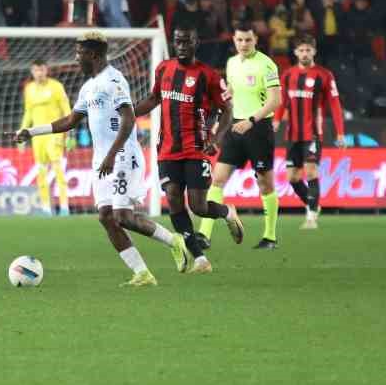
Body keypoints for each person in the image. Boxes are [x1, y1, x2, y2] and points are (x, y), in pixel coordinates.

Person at [14, 30, 191, 286]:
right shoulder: (88, 87)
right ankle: (142, 273)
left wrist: (111, 154)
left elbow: (129, 118)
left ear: (94, 55)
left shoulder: (114, 81)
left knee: (122, 216)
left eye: (80, 54)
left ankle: (174, 240)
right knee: (106, 217)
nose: (76, 59)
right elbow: (70, 121)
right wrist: (31, 131)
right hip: (102, 160)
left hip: (122, 156)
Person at [130, 20, 244, 272]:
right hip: (167, 149)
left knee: (198, 206)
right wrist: (128, 114)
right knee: (173, 199)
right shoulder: (163, 69)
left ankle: (227, 213)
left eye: (186, 41)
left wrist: (215, 139)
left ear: (196, 43)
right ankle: (200, 259)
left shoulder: (208, 75)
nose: (181, 46)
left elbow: (227, 110)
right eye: (177, 41)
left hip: (196, 149)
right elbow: (153, 99)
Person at [198, 26, 282, 249]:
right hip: (236, 127)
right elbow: (233, 95)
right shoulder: (232, 63)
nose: (244, 44)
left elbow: (275, 100)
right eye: (240, 40)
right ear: (234, 40)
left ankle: (270, 236)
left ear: (255, 40)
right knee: (217, 179)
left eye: (248, 40)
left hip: (259, 128)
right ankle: (204, 235)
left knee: (265, 184)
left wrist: (251, 121)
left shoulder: (266, 64)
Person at [273, 36, 348, 231]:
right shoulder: (288, 75)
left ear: (314, 52)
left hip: (313, 133)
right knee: (293, 178)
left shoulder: (324, 75)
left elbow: (335, 105)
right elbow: (282, 102)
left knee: (311, 171)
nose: (305, 54)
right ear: (295, 52)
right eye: (301, 50)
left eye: (308, 50)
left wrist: (340, 134)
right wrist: (275, 121)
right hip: (292, 134)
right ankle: (313, 204)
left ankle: (311, 217)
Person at [19, 59, 73, 217]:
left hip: (54, 134)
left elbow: (66, 110)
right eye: (36, 70)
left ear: (46, 70)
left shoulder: (56, 86)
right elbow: (28, 112)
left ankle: (64, 207)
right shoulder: (29, 89)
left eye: (41, 70)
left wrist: (69, 133)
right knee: (41, 172)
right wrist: (22, 133)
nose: (39, 73)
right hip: (37, 136)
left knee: (58, 170)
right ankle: (45, 208)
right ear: (32, 71)